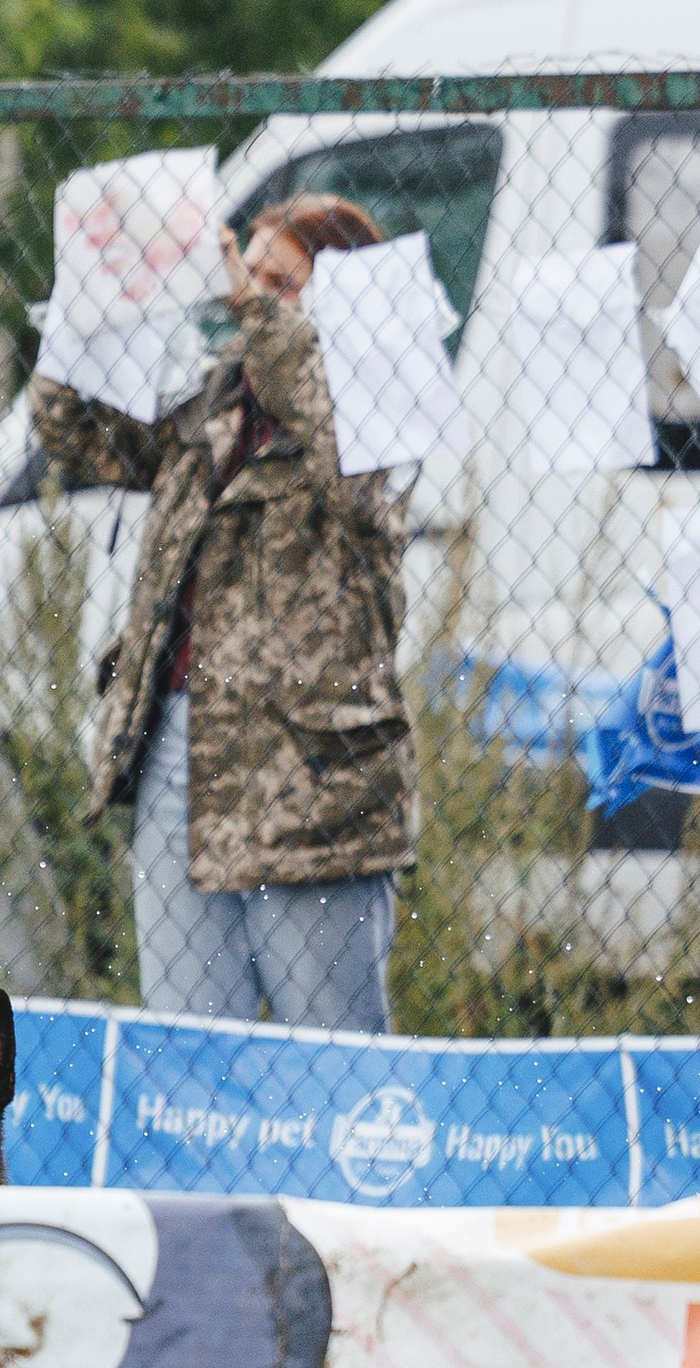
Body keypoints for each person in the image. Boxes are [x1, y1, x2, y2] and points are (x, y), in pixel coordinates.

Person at [31, 195, 413, 1033]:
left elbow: (347, 463)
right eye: (251, 276)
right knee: (189, 1053)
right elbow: (81, 435)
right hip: (179, 752)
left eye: (283, 282)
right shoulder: (215, 400)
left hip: (313, 777)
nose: (250, 295)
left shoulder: (379, 410)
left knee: (334, 1055)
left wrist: (252, 306)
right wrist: (94, 309)